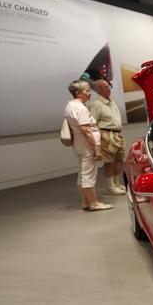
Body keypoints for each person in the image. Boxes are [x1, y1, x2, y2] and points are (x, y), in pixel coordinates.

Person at [64, 80, 112, 211]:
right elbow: (86, 130)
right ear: (78, 93)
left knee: (82, 174)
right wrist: (96, 149)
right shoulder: (80, 108)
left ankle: (85, 202)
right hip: (87, 146)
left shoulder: (70, 105)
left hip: (79, 145)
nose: (89, 93)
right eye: (86, 90)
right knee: (88, 175)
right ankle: (94, 203)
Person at [89, 80, 126, 195]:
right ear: (98, 89)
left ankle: (117, 183)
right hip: (107, 135)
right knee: (109, 161)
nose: (108, 88)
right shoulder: (96, 104)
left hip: (117, 135)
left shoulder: (111, 101)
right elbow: (92, 123)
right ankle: (110, 187)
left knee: (120, 159)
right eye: (105, 87)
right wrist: (103, 135)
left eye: (109, 86)